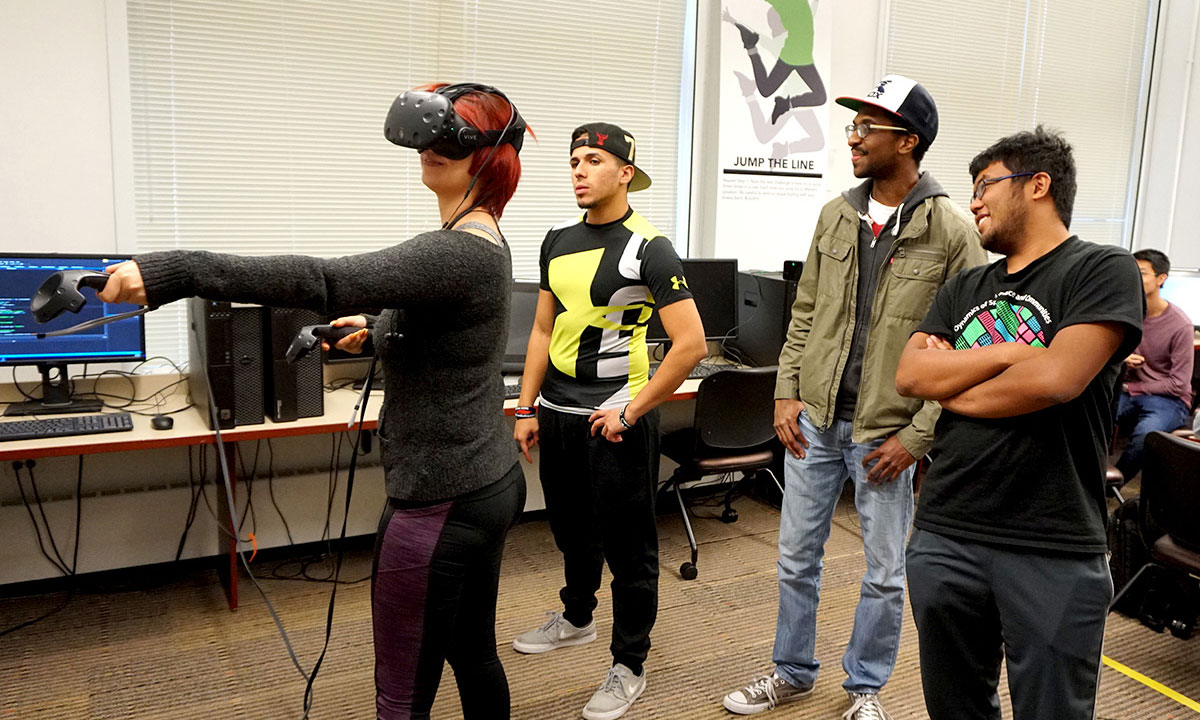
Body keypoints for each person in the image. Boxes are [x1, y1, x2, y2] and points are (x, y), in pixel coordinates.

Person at [99, 83, 530, 720]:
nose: (430, 150)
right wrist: (374, 331)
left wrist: (176, 271)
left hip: (441, 501)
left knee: (401, 694)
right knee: (471, 651)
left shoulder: (453, 251)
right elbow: (447, 329)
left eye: (449, 138)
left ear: (488, 156)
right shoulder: (483, 240)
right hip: (485, 478)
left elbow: (324, 280)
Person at [722, 76, 984, 719]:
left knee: (885, 573)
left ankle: (865, 688)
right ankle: (791, 671)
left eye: (868, 127)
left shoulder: (952, 230)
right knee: (795, 560)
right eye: (853, 126)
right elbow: (805, 310)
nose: (854, 138)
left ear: (908, 141)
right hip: (814, 421)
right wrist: (785, 392)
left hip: (887, 433)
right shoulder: (836, 214)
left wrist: (918, 436)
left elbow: (971, 349)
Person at [894, 127, 1144, 720]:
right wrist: (1011, 352)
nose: (973, 201)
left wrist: (953, 383)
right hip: (946, 530)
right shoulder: (966, 285)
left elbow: (1056, 380)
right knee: (955, 708)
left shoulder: (1101, 269)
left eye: (985, 185)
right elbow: (910, 375)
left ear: (1038, 185)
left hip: (1052, 542)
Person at [510, 123, 706, 720]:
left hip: (617, 417)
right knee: (571, 530)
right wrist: (525, 406)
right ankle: (577, 618)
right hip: (558, 413)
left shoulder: (650, 248)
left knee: (629, 549)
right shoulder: (556, 240)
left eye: (594, 160)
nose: (579, 170)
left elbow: (691, 345)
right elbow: (542, 329)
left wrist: (632, 409)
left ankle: (629, 665)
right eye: (574, 160)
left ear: (625, 173)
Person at [1114, 249, 1194, 481]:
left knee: (1146, 434)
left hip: (1168, 399)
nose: (1134, 278)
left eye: (1142, 273)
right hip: (1128, 393)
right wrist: (1122, 358)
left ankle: (1110, 485)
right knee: (1092, 418)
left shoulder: (1180, 325)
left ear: (1161, 278)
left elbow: (1179, 384)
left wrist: (1132, 388)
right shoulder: (1125, 313)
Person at [723, 1, 826, 124]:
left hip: (801, 58)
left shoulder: (798, 3)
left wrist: (733, 21)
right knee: (766, 90)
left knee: (820, 97)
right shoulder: (785, 3)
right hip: (793, 56)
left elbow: (813, 10)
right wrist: (733, 21)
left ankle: (785, 104)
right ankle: (751, 47)